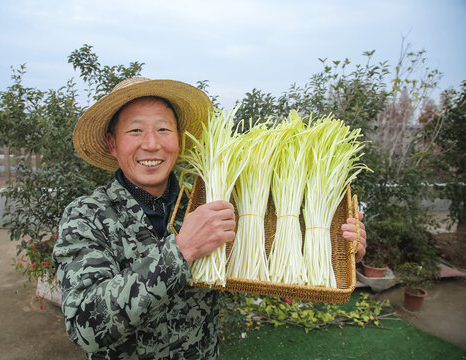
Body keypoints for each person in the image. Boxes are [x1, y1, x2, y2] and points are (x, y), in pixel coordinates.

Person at [53, 77, 367, 359]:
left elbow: (263, 270)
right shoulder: (87, 215)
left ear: (178, 139)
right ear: (112, 144)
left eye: (163, 129)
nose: (151, 143)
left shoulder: (203, 205)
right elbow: (85, 327)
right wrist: (181, 251)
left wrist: (334, 245)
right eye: (135, 130)